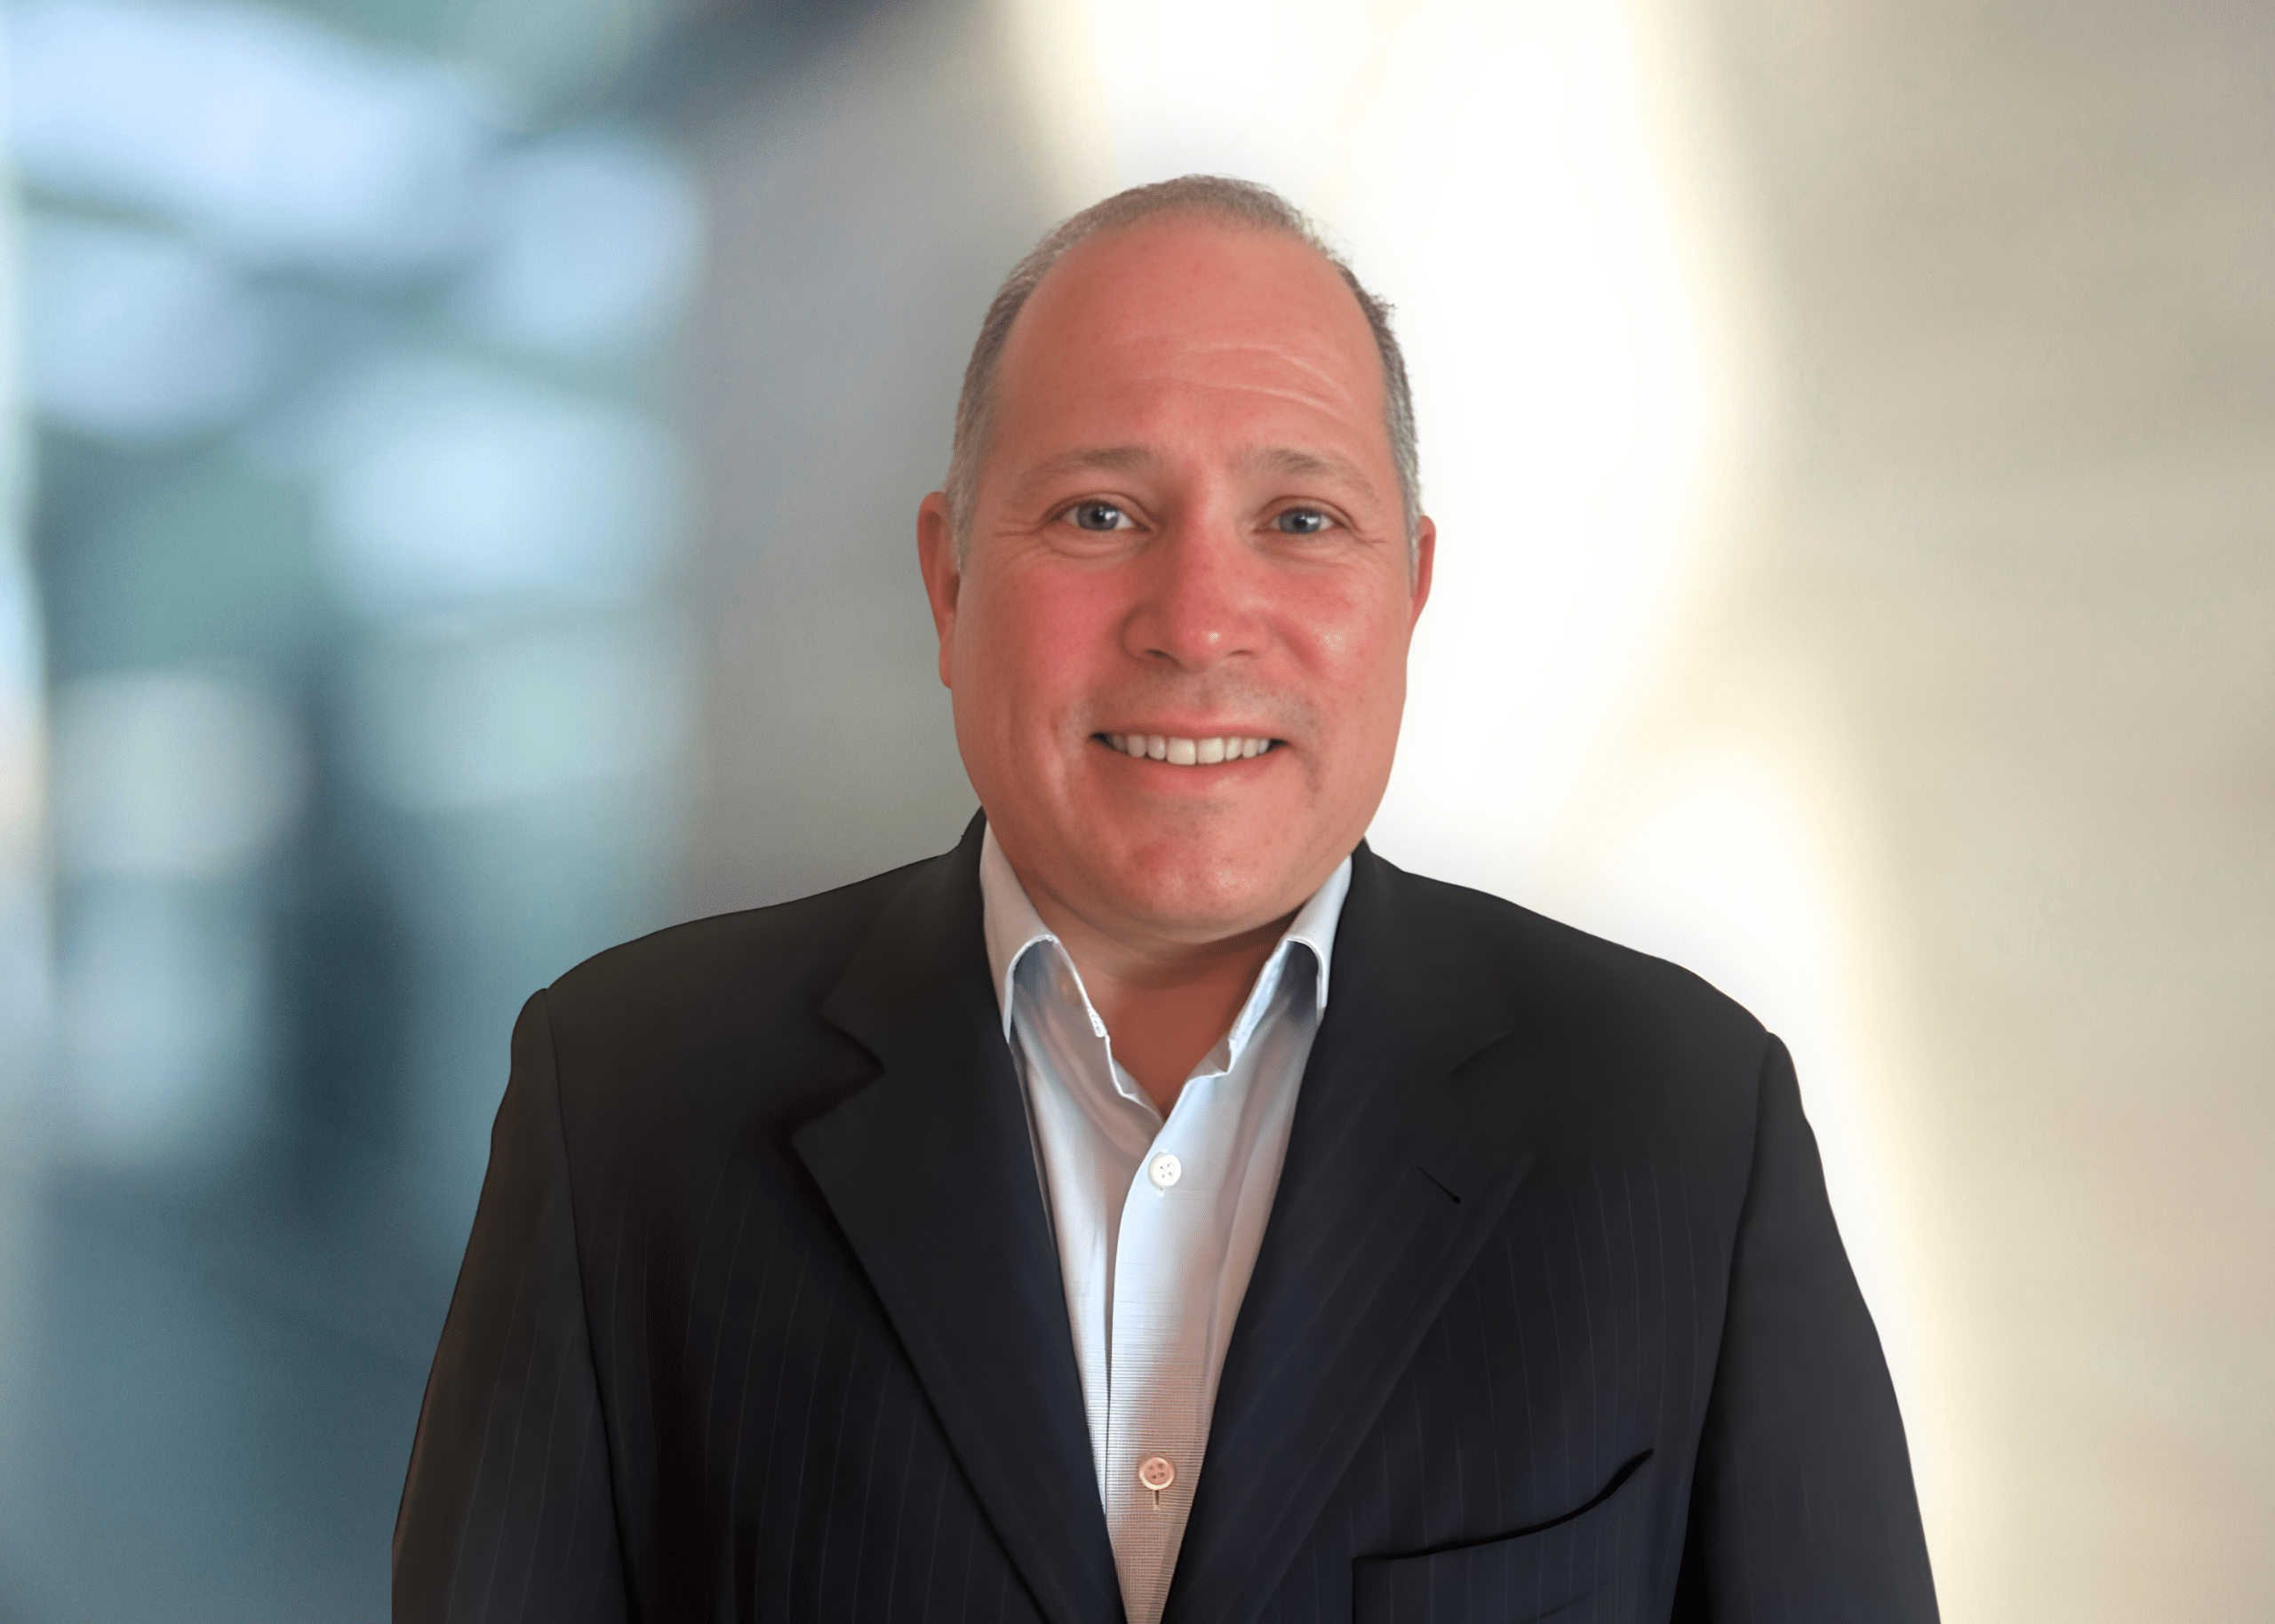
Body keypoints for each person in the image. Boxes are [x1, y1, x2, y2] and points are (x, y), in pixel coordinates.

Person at [393, 176, 1938, 1624]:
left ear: (1411, 589)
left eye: (1302, 521)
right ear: (948, 583)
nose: (1199, 624)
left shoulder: (1682, 1116)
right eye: (1099, 515)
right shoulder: (630, 1098)